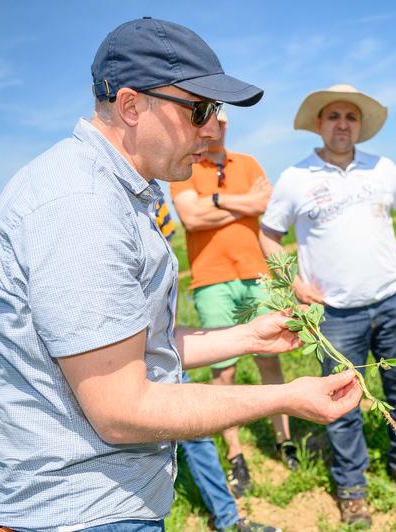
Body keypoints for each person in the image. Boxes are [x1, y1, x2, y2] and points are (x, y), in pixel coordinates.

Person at [0, 18, 361, 532]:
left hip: (108, 502)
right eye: (198, 109)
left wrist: (246, 338)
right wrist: (286, 399)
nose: (209, 128)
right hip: (76, 514)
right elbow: (123, 408)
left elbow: (128, 344)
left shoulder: (120, 191)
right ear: (131, 106)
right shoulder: (80, 207)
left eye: (215, 112)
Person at [259, 84, 396, 527]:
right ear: (319, 125)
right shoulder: (295, 178)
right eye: (334, 116)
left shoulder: (383, 168)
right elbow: (268, 234)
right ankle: (352, 488)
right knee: (341, 403)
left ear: (360, 125)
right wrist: (296, 283)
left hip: (393, 300)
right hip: (334, 313)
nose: (343, 124)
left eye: (351, 117)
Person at [170, 109, 297, 498]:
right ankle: (237, 454)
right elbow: (191, 217)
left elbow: (267, 205)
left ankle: (284, 440)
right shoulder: (187, 163)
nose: (216, 128)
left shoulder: (249, 163)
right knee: (223, 371)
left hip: (258, 275)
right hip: (212, 281)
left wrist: (216, 203)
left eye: (223, 122)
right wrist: (240, 202)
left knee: (269, 359)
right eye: (211, 121)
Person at [153, 197, 279, 532]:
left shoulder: (153, 204)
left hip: (160, 345)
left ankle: (227, 517)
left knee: (194, 428)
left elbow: (163, 275)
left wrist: (250, 336)